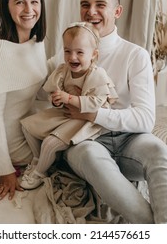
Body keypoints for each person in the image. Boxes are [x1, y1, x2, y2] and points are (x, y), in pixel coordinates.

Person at [47, 0, 167, 224]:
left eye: (100, 4)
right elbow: (41, 90)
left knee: (159, 150)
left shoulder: (136, 55)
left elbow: (145, 119)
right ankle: (154, 230)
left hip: (129, 139)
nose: (91, 12)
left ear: (117, 11)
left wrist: (93, 114)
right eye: (85, 4)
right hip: (86, 140)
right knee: (91, 157)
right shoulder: (66, 53)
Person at [20, 21, 118, 189]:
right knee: (28, 125)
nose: (72, 57)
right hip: (66, 113)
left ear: (94, 55)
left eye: (80, 52)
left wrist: (69, 99)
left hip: (86, 119)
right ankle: (39, 160)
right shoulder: (62, 70)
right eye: (67, 51)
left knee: (50, 143)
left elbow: (96, 103)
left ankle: (40, 172)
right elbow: (52, 92)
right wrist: (56, 100)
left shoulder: (97, 75)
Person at [0, 0, 47, 201]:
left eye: (34, 1)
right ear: (6, 6)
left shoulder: (36, 41)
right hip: (11, 142)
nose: (29, 9)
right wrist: (4, 169)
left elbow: (38, 87)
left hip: (30, 124)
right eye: (20, 2)